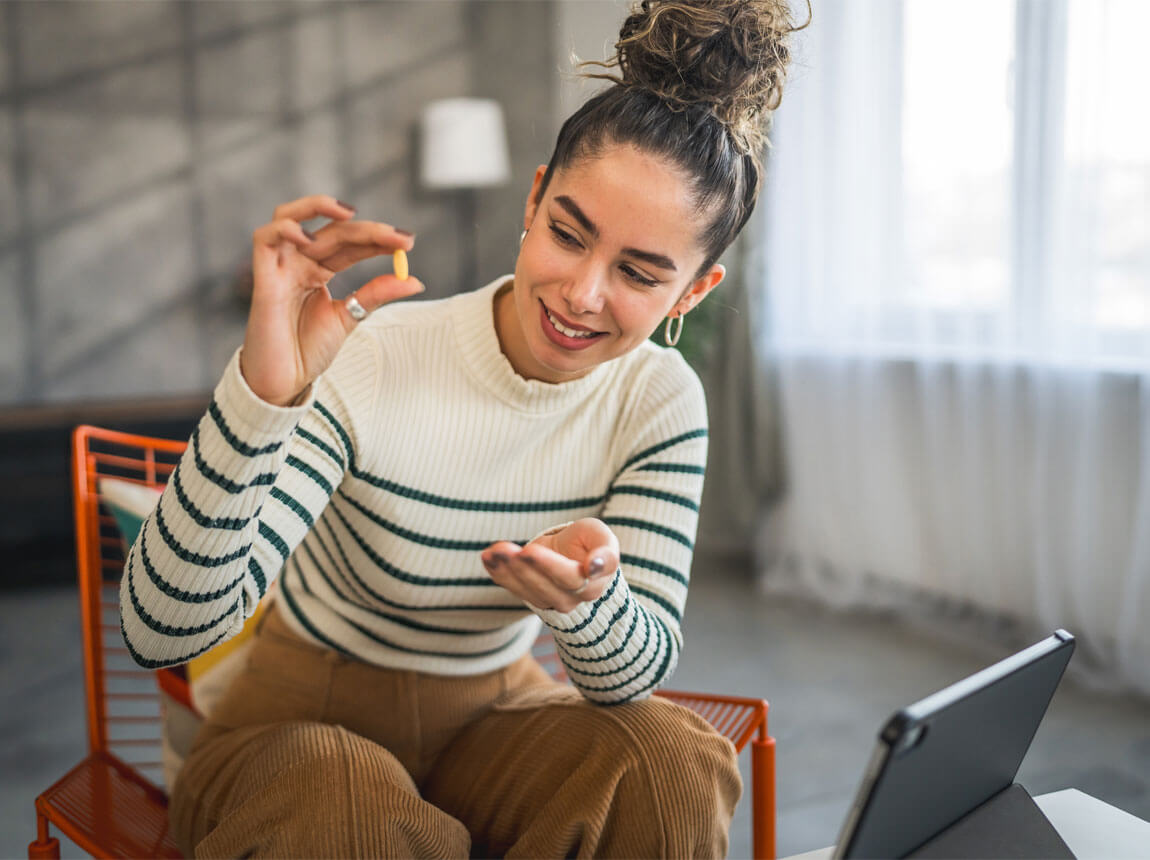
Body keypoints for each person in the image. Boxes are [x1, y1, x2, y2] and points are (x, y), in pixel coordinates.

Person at [121, 0, 806, 855]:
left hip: (493, 713)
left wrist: (589, 605)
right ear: (535, 200)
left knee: (666, 762)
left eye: (636, 271)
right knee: (343, 805)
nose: (581, 294)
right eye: (567, 233)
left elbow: (635, 672)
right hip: (296, 722)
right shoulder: (381, 353)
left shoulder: (658, 400)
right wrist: (264, 397)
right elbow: (159, 628)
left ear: (691, 295)